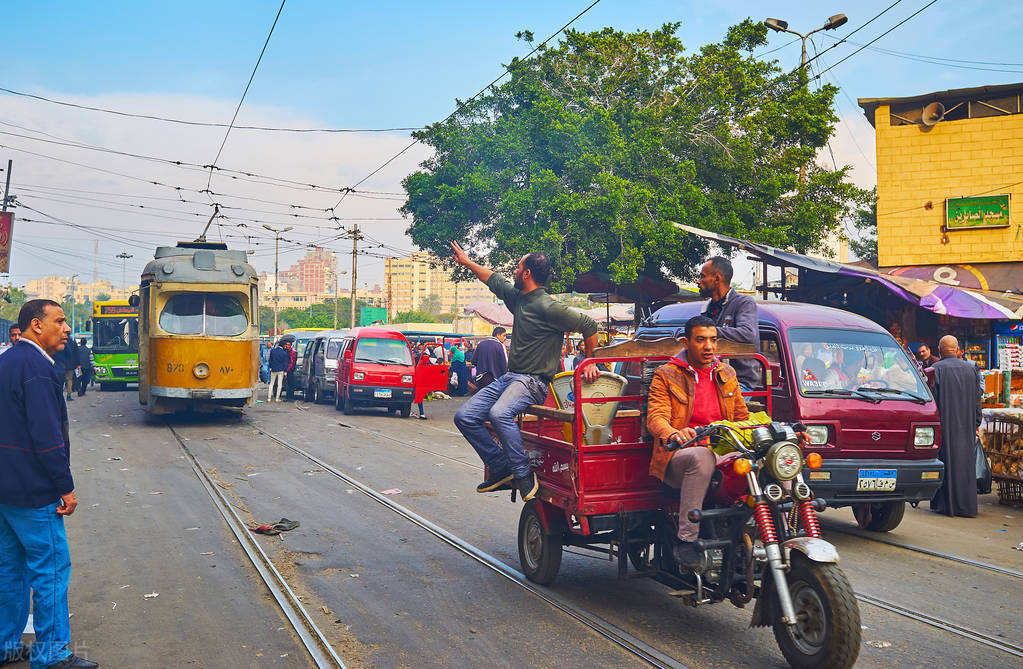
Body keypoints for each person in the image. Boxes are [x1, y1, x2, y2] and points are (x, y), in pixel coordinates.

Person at [450, 242, 599, 501]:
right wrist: (467, 261)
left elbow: (589, 324)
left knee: (499, 413)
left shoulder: (548, 306)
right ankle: (501, 465)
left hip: (533, 382)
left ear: (527, 273)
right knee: (464, 416)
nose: (515, 272)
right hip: (510, 378)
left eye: (518, 268)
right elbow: (492, 279)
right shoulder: (519, 299)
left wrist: (592, 361)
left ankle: (522, 473)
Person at [0, 300, 99, 669]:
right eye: (60, 321)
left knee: (10, 568)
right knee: (51, 569)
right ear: (37, 326)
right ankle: (52, 655)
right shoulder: (37, 368)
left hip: (5, 489)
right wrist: (65, 487)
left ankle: (6, 645)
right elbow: (47, 436)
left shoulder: (6, 361)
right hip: (33, 490)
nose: (67, 328)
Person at [646, 316, 749, 566]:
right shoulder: (666, 374)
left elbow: (742, 417)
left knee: (773, 456)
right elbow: (656, 418)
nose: (709, 347)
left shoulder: (726, 372)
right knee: (702, 457)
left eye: (713, 340)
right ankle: (686, 538)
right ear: (686, 342)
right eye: (701, 340)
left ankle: (783, 529)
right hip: (679, 454)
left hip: (723, 451)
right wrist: (673, 433)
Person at [929, 335, 983, 518]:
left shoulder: (935, 369)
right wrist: (977, 422)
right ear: (957, 348)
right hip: (966, 425)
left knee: (946, 462)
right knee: (965, 464)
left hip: (944, 424)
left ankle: (945, 505)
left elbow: (932, 402)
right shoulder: (971, 370)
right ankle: (966, 506)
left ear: (939, 349)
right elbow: (977, 400)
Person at [697, 256, 759, 391]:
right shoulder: (707, 309)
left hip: (740, 382)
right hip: (712, 379)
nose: (698, 281)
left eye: (702, 277)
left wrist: (709, 331)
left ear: (717, 279)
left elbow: (748, 334)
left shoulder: (743, 303)